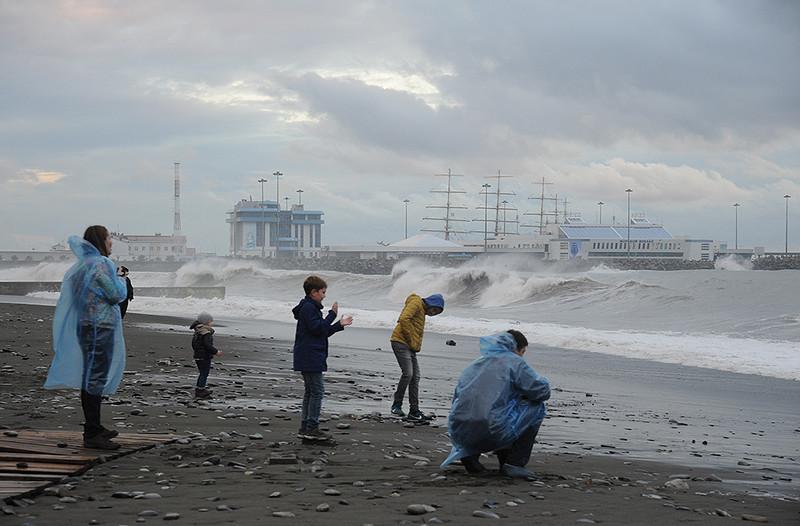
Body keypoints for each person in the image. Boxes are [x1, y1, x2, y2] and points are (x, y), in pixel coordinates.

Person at [45, 225, 128, 450]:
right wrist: (121, 278)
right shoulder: (102, 263)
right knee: (96, 377)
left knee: (90, 374)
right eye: (109, 237)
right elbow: (115, 295)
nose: (112, 241)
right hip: (100, 327)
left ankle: (95, 426)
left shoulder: (79, 266)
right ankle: (92, 432)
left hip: (84, 325)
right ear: (101, 240)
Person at [440, 330, 550, 479]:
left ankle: (470, 455)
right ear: (517, 348)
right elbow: (541, 392)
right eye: (523, 351)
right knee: (536, 407)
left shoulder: (476, 364)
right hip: (492, 430)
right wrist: (543, 382)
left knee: (486, 408)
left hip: (459, 429)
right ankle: (515, 463)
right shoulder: (514, 362)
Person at [292, 275, 353, 440]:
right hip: (310, 355)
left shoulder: (309, 308)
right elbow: (317, 329)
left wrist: (339, 325)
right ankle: (311, 426)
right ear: (313, 292)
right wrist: (331, 315)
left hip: (309, 354)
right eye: (323, 292)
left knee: (311, 391)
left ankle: (306, 425)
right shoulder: (308, 308)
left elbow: (321, 332)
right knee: (317, 391)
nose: (324, 295)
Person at [389, 293, 444, 421]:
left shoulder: (422, 311)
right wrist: (412, 340)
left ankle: (414, 410)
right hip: (400, 342)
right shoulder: (416, 303)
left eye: (437, 313)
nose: (433, 313)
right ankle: (396, 405)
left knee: (415, 377)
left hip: (409, 346)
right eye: (435, 310)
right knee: (408, 374)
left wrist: (413, 344)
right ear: (431, 303)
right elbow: (403, 318)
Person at [190, 312, 220, 399]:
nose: (212, 323)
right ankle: (200, 390)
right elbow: (207, 345)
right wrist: (216, 352)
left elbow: (194, 344)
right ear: (207, 322)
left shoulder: (198, 331)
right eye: (211, 321)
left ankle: (200, 389)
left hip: (197, 355)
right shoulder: (206, 333)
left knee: (202, 373)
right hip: (204, 356)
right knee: (204, 373)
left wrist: (197, 351)